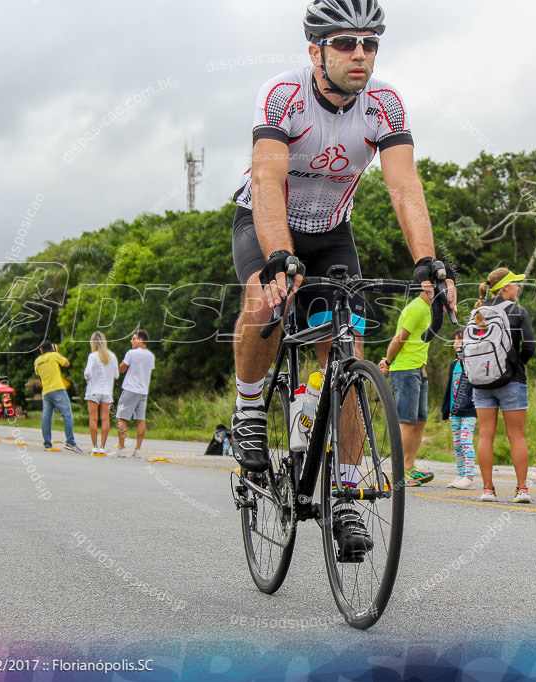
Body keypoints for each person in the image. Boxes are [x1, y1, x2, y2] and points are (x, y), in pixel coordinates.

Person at [228, 0, 455, 555]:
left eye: (370, 44)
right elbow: (266, 180)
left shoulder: (384, 105)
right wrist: (279, 256)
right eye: (345, 43)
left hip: (332, 234)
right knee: (263, 299)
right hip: (267, 219)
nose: (360, 54)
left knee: (345, 351)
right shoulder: (283, 94)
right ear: (316, 50)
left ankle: (347, 498)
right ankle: (251, 408)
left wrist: (427, 259)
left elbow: (404, 187)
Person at [471, 268, 535, 504]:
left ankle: (488, 489)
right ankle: (521, 489)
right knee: (516, 436)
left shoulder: (477, 310)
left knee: (485, 436)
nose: (518, 287)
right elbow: (529, 346)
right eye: (515, 284)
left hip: (481, 382)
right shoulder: (517, 311)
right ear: (505, 287)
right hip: (512, 381)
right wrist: (515, 365)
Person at [378, 290, 434, 486]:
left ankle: (409, 467)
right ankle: (398, 472)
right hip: (405, 370)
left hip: (419, 370)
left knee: (420, 421)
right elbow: (398, 339)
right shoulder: (417, 308)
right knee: (407, 422)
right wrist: (388, 361)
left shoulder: (429, 309)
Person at [442, 330, 477, 489]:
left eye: (460, 340)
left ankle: (469, 476)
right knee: (457, 444)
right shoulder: (453, 364)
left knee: (465, 440)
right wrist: (446, 409)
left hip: (469, 410)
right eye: (455, 340)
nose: (457, 343)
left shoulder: (472, 363)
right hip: (454, 410)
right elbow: (450, 388)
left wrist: (472, 402)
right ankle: (461, 474)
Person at [34, 342, 82, 453]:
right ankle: (70, 442)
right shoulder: (54, 355)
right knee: (67, 415)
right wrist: (56, 352)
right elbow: (66, 363)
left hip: (46, 392)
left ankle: (47, 443)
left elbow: (37, 373)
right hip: (58, 389)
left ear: (41, 350)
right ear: (52, 348)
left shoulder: (37, 361)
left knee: (46, 417)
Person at [116, 330, 155, 458]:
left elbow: (122, 369)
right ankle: (137, 450)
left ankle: (121, 448)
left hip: (130, 388)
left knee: (122, 417)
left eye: (133, 338)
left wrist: (123, 365)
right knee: (140, 419)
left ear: (140, 340)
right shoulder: (150, 356)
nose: (131, 341)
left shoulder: (131, 353)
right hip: (143, 390)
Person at [84, 331, 119, 455]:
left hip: (93, 390)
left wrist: (88, 378)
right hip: (107, 391)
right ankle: (103, 446)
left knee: (93, 419)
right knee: (105, 419)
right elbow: (116, 375)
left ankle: (94, 446)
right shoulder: (112, 356)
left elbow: (87, 372)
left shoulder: (93, 356)